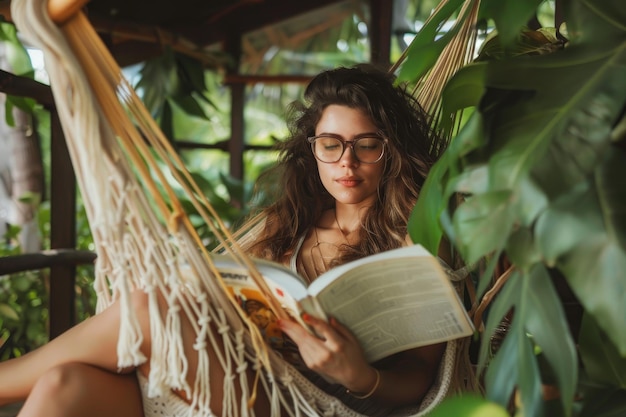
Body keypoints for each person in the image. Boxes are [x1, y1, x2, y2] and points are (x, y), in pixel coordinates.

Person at [0, 63, 451, 417]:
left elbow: (421, 375)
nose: (345, 161)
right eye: (330, 144)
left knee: (146, 310)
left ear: (391, 150)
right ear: (311, 148)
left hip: (318, 407)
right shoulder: (287, 224)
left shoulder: (415, 238)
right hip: (242, 381)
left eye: (366, 144)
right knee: (65, 383)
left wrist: (360, 375)